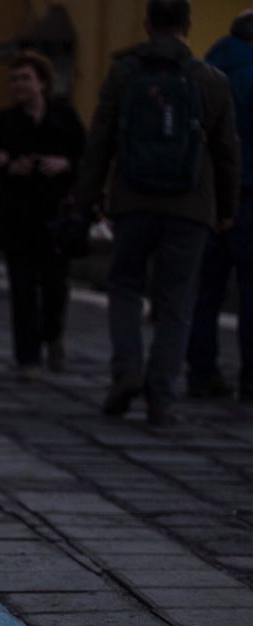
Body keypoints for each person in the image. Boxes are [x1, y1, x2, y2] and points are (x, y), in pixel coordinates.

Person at [75, 0, 240, 426]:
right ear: (188, 26)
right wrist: (226, 208)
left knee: (126, 286)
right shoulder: (210, 80)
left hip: (132, 200)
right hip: (190, 206)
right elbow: (227, 152)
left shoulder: (124, 74)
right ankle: (161, 398)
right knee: (176, 301)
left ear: (148, 25)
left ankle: (127, 370)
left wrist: (89, 195)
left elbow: (100, 141)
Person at [0, 51, 87, 380]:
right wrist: (7, 164)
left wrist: (65, 163)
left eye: (25, 79)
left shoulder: (65, 118)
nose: (18, 85)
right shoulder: (4, 121)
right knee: (22, 287)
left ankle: (52, 334)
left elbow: (86, 158)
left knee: (55, 286)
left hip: (55, 216)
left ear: (42, 82)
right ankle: (27, 356)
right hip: (17, 217)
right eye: (14, 80)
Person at [187, 10, 253, 401]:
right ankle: (250, 375)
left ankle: (201, 371)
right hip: (247, 194)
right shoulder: (250, 76)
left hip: (201, 196)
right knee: (250, 290)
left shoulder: (202, 72)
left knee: (205, 290)